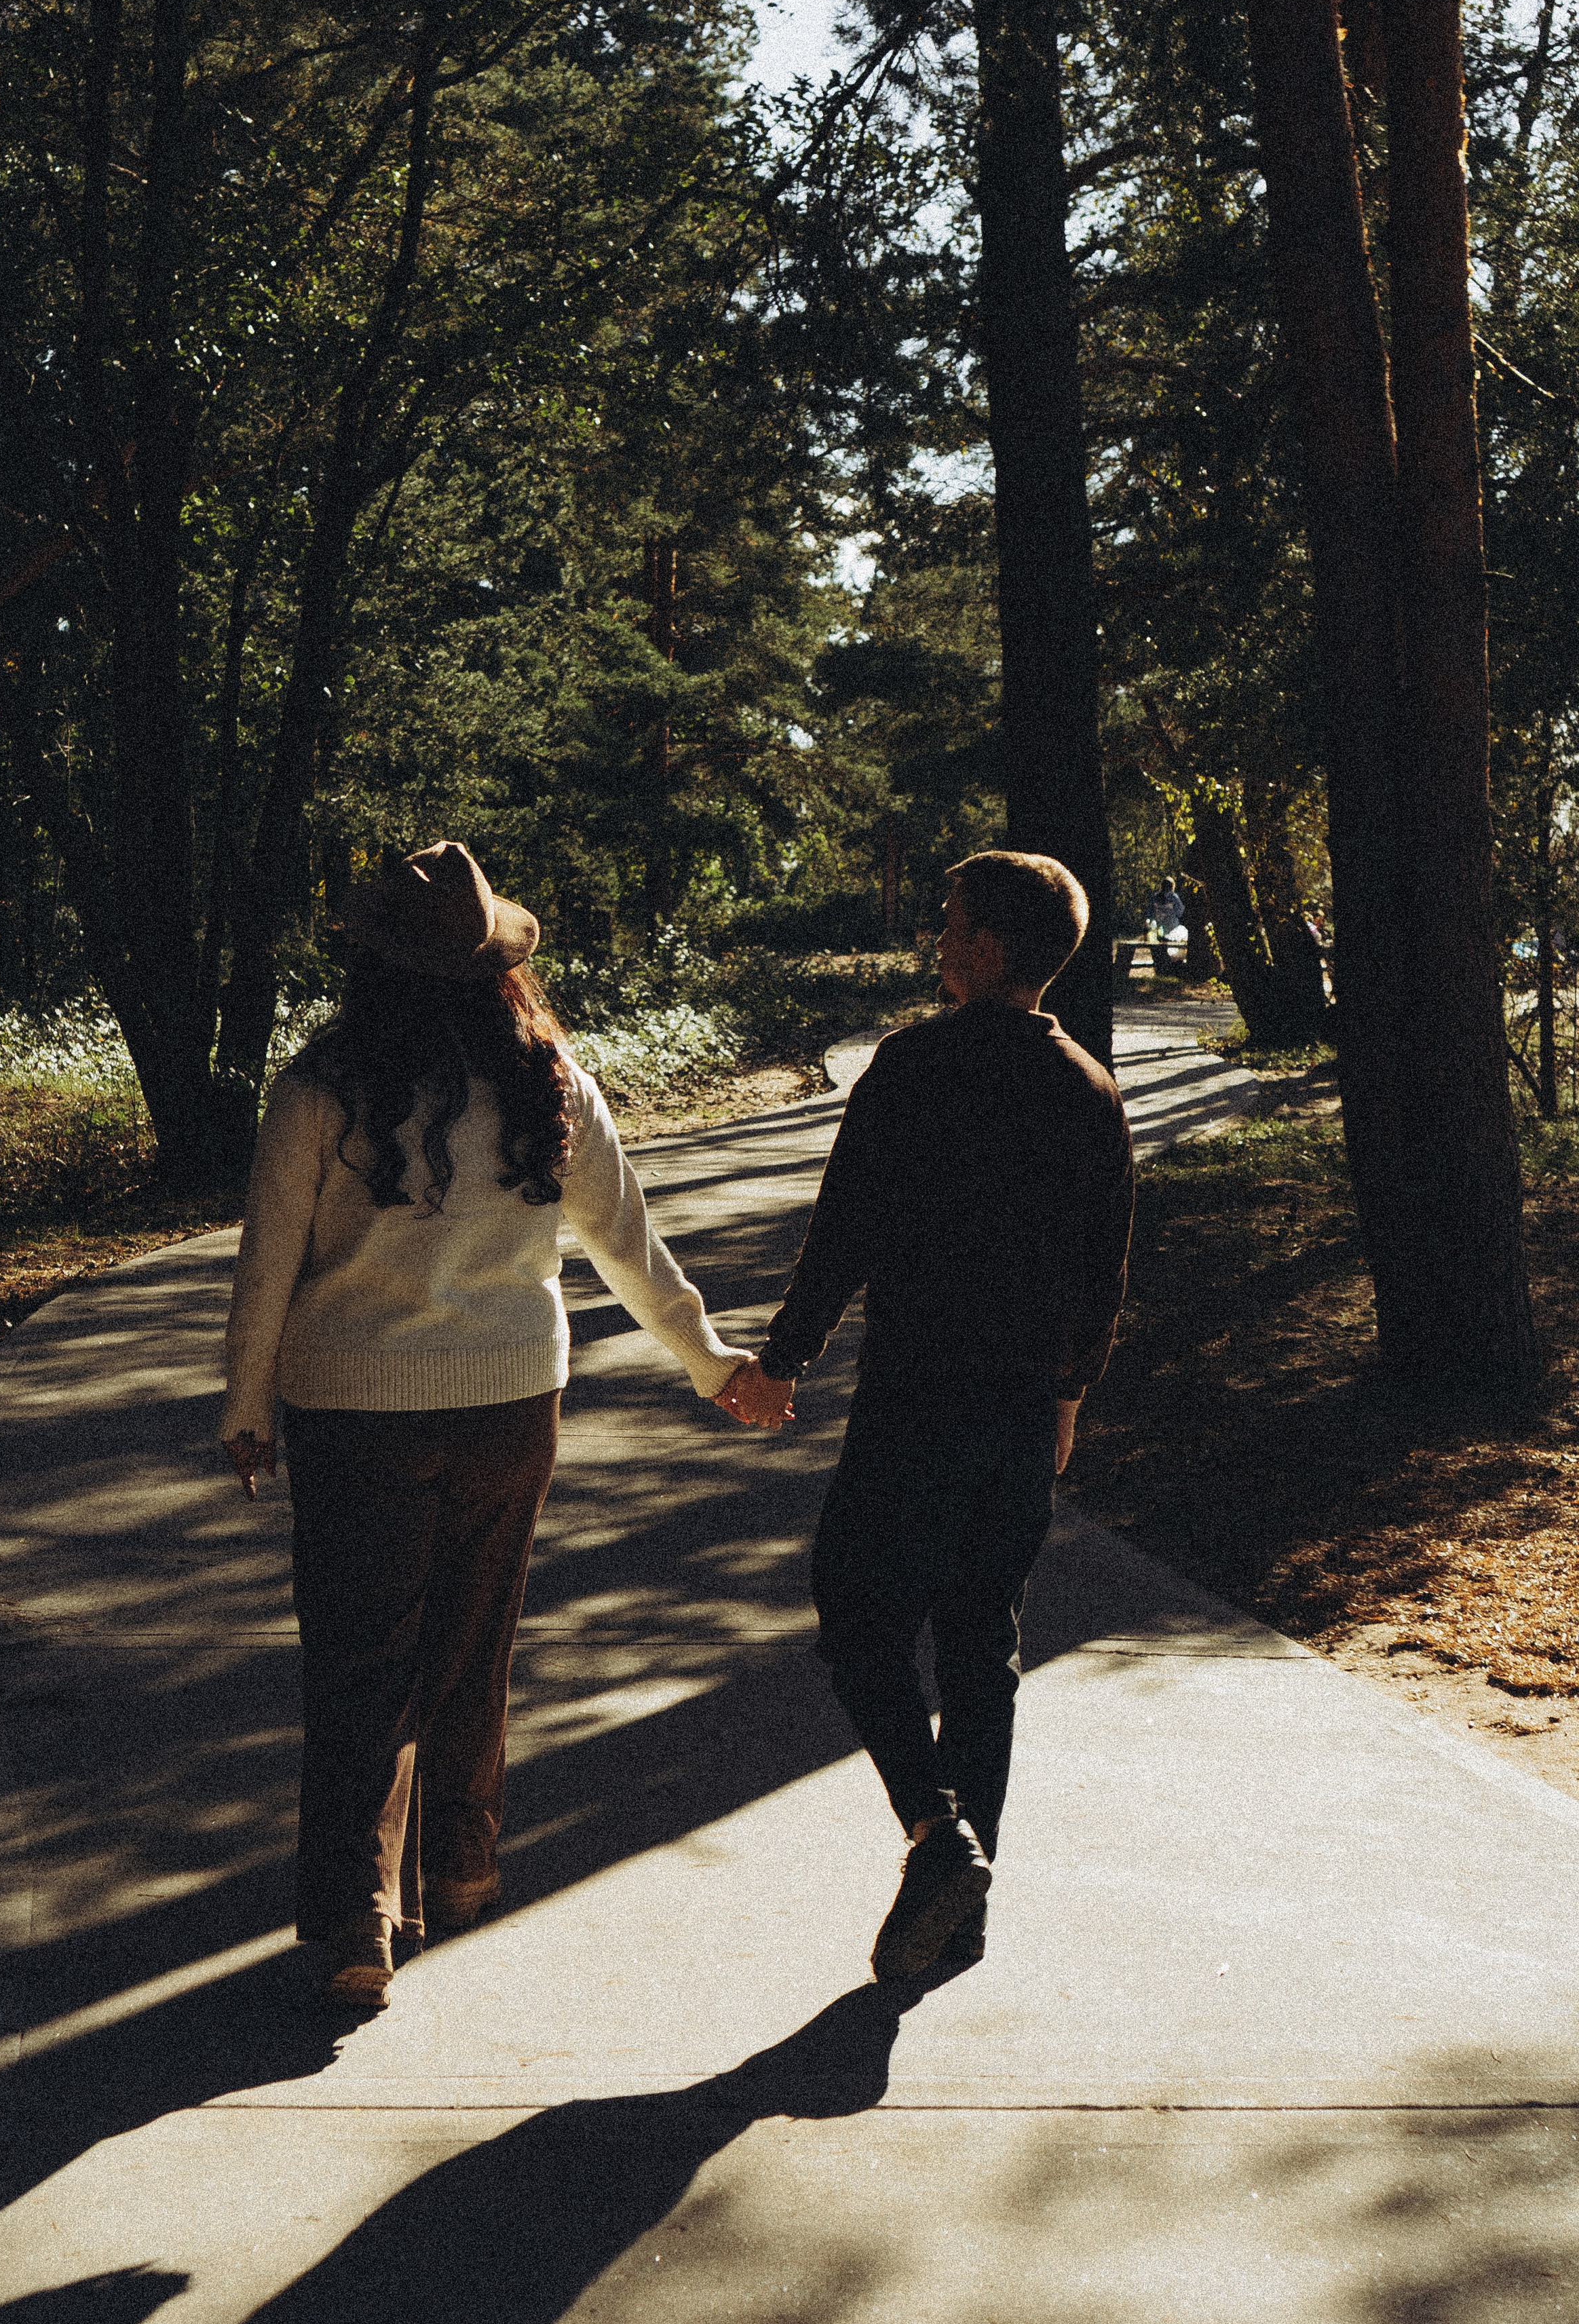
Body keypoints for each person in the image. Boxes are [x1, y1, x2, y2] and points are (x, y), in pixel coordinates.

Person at [220, 841, 751, 2011]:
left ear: (370, 967)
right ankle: (461, 1872)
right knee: (475, 1641)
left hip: (354, 1410)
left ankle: (362, 1918)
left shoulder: (320, 1090)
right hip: (512, 1405)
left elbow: (266, 1268)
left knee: (363, 1656)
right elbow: (628, 1243)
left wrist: (247, 1407)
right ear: (495, 967)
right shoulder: (547, 1082)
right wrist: (712, 1363)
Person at [722, 850, 1134, 1980]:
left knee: (855, 1617)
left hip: (915, 1401)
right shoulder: (1089, 1088)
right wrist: (1068, 1394)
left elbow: (844, 1229)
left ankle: (937, 1833)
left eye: (949, 924)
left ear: (990, 949)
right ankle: (968, 1904)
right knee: (979, 1647)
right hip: (1014, 1410)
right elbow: (1104, 1269)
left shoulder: (912, 1067)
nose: (936, 942)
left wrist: (783, 1359)